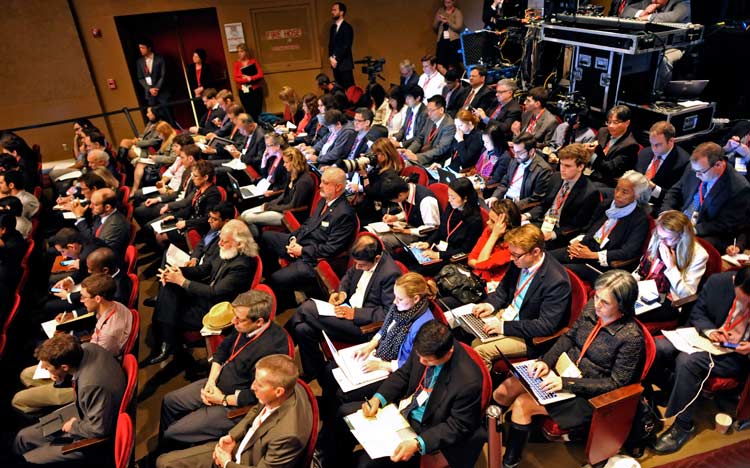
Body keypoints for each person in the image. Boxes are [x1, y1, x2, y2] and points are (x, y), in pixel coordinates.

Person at [493, 269, 645, 467]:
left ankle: (509, 462)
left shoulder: (631, 337)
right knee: (507, 388)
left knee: (523, 404)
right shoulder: (592, 307)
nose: (597, 305)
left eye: (605, 302)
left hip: (588, 394)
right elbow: (570, 337)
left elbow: (616, 383)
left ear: (622, 305)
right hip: (563, 371)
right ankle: (490, 431)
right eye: (597, 297)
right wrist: (545, 362)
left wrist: (566, 383)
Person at [333, 320, 485, 468]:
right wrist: (377, 399)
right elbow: (404, 374)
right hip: (402, 410)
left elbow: (457, 426)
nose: (421, 361)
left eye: (427, 361)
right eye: (419, 356)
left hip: (426, 428)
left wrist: (418, 443)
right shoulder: (424, 345)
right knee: (343, 413)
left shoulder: (468, 381)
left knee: (367, 464)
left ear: (448, 353)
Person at [159, 290, 291, 446]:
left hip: (235, 406)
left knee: (173, 433)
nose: (233, 322)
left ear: (259, 322)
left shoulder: (273, 350)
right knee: (170, 401)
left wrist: (222, 400)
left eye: (239, 319)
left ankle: (169, 454)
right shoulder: (244, 326)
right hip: (217, 384)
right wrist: (211, 382)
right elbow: (222, 350)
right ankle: (168, 447)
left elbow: (257, 395)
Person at [647, 266, 750, 454]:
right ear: (734, 281)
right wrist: (711, 331)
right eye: (744, 299)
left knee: (687, 362)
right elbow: (698, 314)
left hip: (737, 355)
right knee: (655, 347)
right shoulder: (718, 282)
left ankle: (683, 426)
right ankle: (673, 391)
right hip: (707, 337)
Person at [155, 354, 313, 468]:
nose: (252, 387)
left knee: (164, 463)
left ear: (278, 391)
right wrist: (233, 436)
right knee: (164, 462)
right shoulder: (283, 390)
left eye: (259, 384)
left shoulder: (289, 435)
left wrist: (226, 463)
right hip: (238, 447)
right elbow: (255, 410)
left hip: (242, 461)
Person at [12, 273, 133, 415]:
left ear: (98, 298)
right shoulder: (113, 306)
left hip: (85, 381)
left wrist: (61, 374)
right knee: (26, 375)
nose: (81, 300)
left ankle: (56, 414)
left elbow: (94, 365)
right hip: (79, 363)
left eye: (84, 297)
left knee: (18, 400)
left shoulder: (109, 334)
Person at [142, 220, 259, 366]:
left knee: (167, 304)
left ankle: (167, 340)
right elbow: (205, 269)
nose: (219, 243)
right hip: (205, 294)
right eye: (220, 239)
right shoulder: (227, 249)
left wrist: (182, 281)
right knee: (169, 288)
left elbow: (215, 293)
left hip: (217, 308)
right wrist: (179, 271)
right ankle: (168, 340)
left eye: (224, 241)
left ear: (239, 244)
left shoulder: (243, 265)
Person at [287, 235, 403, 381]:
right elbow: (349, 276)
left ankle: (281, 345)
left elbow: (388, 313)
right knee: (302, 329)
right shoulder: (362, 260)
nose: (357, 267)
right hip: (346, 307)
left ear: (377, 258)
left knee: (307, 308)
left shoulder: (390, 274)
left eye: (361, 265)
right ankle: (314, 372)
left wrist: (355, 313)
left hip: (363, 326)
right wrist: (341, 292)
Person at [12, 334, 126, 465]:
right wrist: (60, 378)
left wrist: (73, 426)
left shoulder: (91, 386)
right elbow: (76, 378)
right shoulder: (88, 348)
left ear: (64, 366)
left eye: (48, 368)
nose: (45, 370)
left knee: (29, 459)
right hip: (87, 412)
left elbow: (99, 429)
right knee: (23, 436)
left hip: (92, 436)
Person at [471, 224, 572, 369]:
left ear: (535, 251)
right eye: (511, 253)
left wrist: (504, 327)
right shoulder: (519, 260)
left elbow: (545, 326)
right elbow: (504, 289)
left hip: (528, 334)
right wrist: (490, 305)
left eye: (516, 255)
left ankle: (484, 390)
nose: (511, 259)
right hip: (508, 314)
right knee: (472, 331)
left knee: (480, 351)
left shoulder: (557, 281)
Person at [260, 167, 357, 311]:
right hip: (302, 243)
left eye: (325, 182)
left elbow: (331, 249)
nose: (320, 185)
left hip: (314, 259)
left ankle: (284, 302)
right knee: (266, 237)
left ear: (338, 187)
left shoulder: (345, 214)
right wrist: (294, 239)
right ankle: (273, 285)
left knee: (277, 278)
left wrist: (302, 250)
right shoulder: (324, 200)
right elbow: (308, 224)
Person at [552, 170, 652, 284]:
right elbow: (588, 229)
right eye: (617, 189)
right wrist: (578, 244)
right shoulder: (607, 204)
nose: (618, 195)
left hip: (603, 265)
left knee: (559, 272)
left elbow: (628, 252)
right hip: (585, 249)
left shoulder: (639, 219)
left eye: (625, 192)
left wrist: (593, 255)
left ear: (636, 196)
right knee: (546, 257)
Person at [662, 141, 750, 251]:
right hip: (680, 220)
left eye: (701, 172)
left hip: (706, 231)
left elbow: (724, 224)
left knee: (679, 245)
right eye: (695, 171)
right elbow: (675, 190)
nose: (697, 175)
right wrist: (665, 214)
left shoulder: (739, 188)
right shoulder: (696, 166)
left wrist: (691, 230)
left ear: (718, 164)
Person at [633, 210, 708, 323]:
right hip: (644, 288)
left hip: (669, 300)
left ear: (682, 237)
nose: (661, 242)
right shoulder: (659, 237)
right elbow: (643, 267)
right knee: (615, 295)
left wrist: (671, 267)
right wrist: (629, 281)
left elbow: (687, 295)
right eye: (660, 236)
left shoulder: (698, 255)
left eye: (667, 239)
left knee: (626, 311)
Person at [529, 143, 601, 249]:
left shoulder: (589, 193)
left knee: (526, 248)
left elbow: (577, 225)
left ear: (580, 167)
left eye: (567, 166)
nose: (562, 169)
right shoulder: (555, 177)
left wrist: (552, 235)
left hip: (560, 233)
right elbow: (544, 205)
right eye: (561, 164)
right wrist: (527, 215)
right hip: (542, 222)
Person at [411, 178, 484, 272]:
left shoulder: (474, 220)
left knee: (416, 269)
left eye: (453, 197)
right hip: (440, 247)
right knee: (409, 257)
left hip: (452, 256)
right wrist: (428, 242)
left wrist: (438, 255)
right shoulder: (452, 206)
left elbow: (465, 249)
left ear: (465, 198)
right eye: (449, 195)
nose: (449, 200)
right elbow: (441, 228)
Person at [240, 147, 315, 236]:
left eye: (286, 162)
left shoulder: (304, 182)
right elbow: (284, 196)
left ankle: (256, 239)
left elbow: (293, 206)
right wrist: (269, 204)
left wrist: (270, 207)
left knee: (248, 218)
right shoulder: (292, 174)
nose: (284, 165)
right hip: (281, 208)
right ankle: (255, 236)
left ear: (295, 163)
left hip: (289, 215)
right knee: (243, 214)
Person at [155, 160, 221, 248]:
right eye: (192, 175)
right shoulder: (200, 188)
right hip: (190, 221)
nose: (192, 178)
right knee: (159, 229)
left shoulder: (213, 194)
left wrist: (186, 223)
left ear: (205, 177)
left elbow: (207, 219)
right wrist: (174, 216)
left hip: (198, 228)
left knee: (160, 236)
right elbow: (191, 207)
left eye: (195, 176)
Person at [487, 132, 552, 214]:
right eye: (514, 151)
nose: (515, 156)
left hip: (518, 208)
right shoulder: (515, 160)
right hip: (503, 202)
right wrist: (495, 197)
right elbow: (504, 183)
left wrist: (512, 207)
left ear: (531, 151)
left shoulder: (543, 170)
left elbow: (536, 198)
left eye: (519, 152)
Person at [467, 198, 522, 285]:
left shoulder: (513, 246)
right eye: (489, 218)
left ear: (505, 227)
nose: (487, 222)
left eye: (492, 221)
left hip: (494, 286)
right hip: (478, 279)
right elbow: (471, 259)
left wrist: (494, 235)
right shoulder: (489, 230)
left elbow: (481, 263)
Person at [379, 176, 441, 248]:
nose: (394, 202)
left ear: (400, 195)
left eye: (392, 200)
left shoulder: (426, 201)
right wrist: (396, 217)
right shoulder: (406, 191)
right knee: (374, 233)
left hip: (423, 235)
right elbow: (409, 211)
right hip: (410, 225)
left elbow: (431, 228)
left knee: (383, 240)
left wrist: (405, 231)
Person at [588, 105, 640, 189]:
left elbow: (610, 169)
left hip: (610, 184)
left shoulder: (630, 145)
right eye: (609, 122)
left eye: (615, 122)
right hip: (593, 175)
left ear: (627, 123)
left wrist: (591, 154)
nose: (611, 126)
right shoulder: (603, 131)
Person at [72, 187, 130, 259]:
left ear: (107, 207)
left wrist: (79, 258)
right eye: (91, 203)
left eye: (95, 205)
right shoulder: (102, 215)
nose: (90, 206)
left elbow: (102, 253)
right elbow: (93, 236)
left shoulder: (114, 226)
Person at [401, 94, 456, 166]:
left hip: (433, 162)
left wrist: (417, 157)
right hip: (421, 155)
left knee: (405, 166)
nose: (428, 113)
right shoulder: (429, 119)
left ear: (441, 110)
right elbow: (420, 139)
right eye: (427, 110)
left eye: (431, 110)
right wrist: (409, 151)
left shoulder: (449, 126)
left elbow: (440, 149)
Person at [233, 43, 264, 121]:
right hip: (244, 90)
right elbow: (236, 78)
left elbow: (260, 75)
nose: (239, 54)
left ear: (246, 52)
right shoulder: (237, 64)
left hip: (255, 89)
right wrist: (246, 79)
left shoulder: (253, 61)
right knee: (249, 111)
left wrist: (250, 78)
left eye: (241, 51)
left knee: (257, 110)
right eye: (238, 52)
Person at [136, 38, 170, 109]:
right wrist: (149, 89)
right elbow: (140, 78)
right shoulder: (140, 61)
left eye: (143, 48)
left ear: (149, 48)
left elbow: (163, 75)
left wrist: (156, 88)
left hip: (162, 91)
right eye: (140, 48)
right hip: (149, 93)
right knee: (154, 115)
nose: (141, 50)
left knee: (167, 113)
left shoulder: (160, 59)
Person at [392, 86, 428, 150]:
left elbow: (418, 136)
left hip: (414, 145)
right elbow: (404, 128)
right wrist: (394, 139)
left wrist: (401, 144)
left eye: (409, 98)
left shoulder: (425, 113)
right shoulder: (409, 108)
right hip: (404, 141)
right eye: (406, 97)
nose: (406, 100)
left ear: (418, 98)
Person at [328, 2, 355, 89]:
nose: (332, 12)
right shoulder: (333, 28)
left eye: (335, 10)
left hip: (345, 64)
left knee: (349, 89)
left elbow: (346, 46)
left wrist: (336, 59)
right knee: (339, 89)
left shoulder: (347, 27)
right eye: (332, 10)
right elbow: (330, 45)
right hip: (335, 65)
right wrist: (331, 58)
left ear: (341, 12)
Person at [434, 0, 465, 70]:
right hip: (442, 40)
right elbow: (434, 27)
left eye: (449, 2)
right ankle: (448, 77)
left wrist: (447, 21)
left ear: (453, 2)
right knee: (440, 64)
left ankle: (455, 78)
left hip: (453, 41)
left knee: (453, 63)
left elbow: (459, 27)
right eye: (445, 2)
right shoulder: (440, 11)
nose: (447, 4)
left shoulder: (457, 12)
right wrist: (438, 20)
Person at [187, 48, 213, 118]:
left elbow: (210, 81)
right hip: (195, 93)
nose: (194, 58)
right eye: (193, 56)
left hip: (205, 91)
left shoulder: (207, 67)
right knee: (198, 112)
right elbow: (189, 81)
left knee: (207, 110)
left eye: (196, 57)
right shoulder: (190, 68)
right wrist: (195, 91)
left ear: (201, 58)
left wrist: (202, 88)